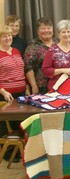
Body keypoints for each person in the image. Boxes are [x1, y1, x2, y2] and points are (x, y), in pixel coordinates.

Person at [0, 25, 26, 162]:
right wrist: (3, 91)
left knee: (19, 124)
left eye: (9, 35)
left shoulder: (16, 51)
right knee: (6, 125)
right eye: (4, 36)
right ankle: (8, 154)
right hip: (6, 95)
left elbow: (22, 70)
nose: (8, 38)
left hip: (21, 93)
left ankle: (19, 152)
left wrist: (26, 87)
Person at [42, 20, 70, 90]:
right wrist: (62, 70)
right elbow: (45, 70)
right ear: (58, 34)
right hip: (57, 89)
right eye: (63, 32)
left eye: (68, 31)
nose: (66, 34)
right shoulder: (51, 51)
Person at [24, 17, 57, 95]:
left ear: (52, 30)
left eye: (48, 28)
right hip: (41, 88)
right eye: (43, 29)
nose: (46, 31)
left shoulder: (58, 42)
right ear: (38, 31)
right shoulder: (33, 45)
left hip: (59, 85)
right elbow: (28, 67)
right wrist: (34, 86)